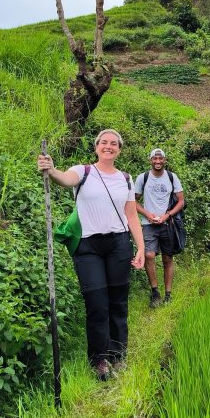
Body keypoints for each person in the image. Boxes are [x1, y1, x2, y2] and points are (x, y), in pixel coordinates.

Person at [37, 129, 145, 381]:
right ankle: (100, 359)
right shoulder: (83, 171)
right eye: (104, 142)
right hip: (89, 247)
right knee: (97, 304)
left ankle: (118, 355)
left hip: (119, 244)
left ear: (119, 149)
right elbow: (64, 179)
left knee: (118, 303)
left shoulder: (126, 179)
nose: (109, 146)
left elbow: (131, 216)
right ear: (97, 147)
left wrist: (141, 247)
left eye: (114, 143)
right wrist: (51, 169)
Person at [134, 148, 185, 307]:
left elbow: (181, 201)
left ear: (165, 160)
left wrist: (167, 215)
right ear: (150, 160)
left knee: (167, 258)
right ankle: (155, 292)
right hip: (149, 224)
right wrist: (148, 214)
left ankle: (168, 294)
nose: (157, 162)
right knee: (149, 255)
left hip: (167, 224)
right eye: (155, 159)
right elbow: (133, 201)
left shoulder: (171, 177)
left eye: (160, 159)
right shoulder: (143, 178)